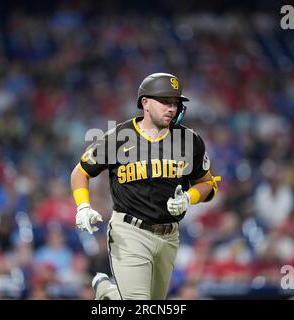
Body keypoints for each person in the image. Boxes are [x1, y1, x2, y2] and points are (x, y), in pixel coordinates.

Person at [70, 72, 221, 300]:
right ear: (145, 103)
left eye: (175, 102)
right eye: (165, 101)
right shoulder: (120, 136)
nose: (172, 108)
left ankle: (109, 294)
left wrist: (189, 197)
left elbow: (207, 183)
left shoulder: (189, 140)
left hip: (169, 235)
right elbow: (80, 172)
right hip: (130, 232)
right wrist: (83, 206)